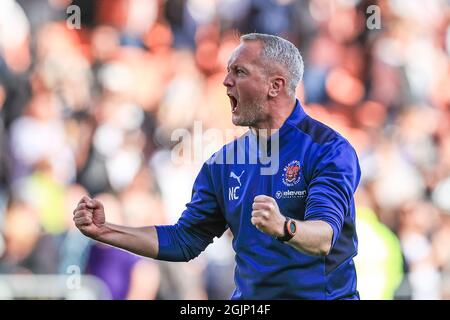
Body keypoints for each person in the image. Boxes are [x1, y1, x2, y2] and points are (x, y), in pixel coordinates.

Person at [73, 33, 361, 299]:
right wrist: (107, 231)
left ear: (275, 85)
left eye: (239, 72)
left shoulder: (328, 150)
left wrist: (282, 227)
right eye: (228, 71)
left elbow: (324, 237)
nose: (226, 81)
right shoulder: (224, 162)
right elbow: (185, 239)